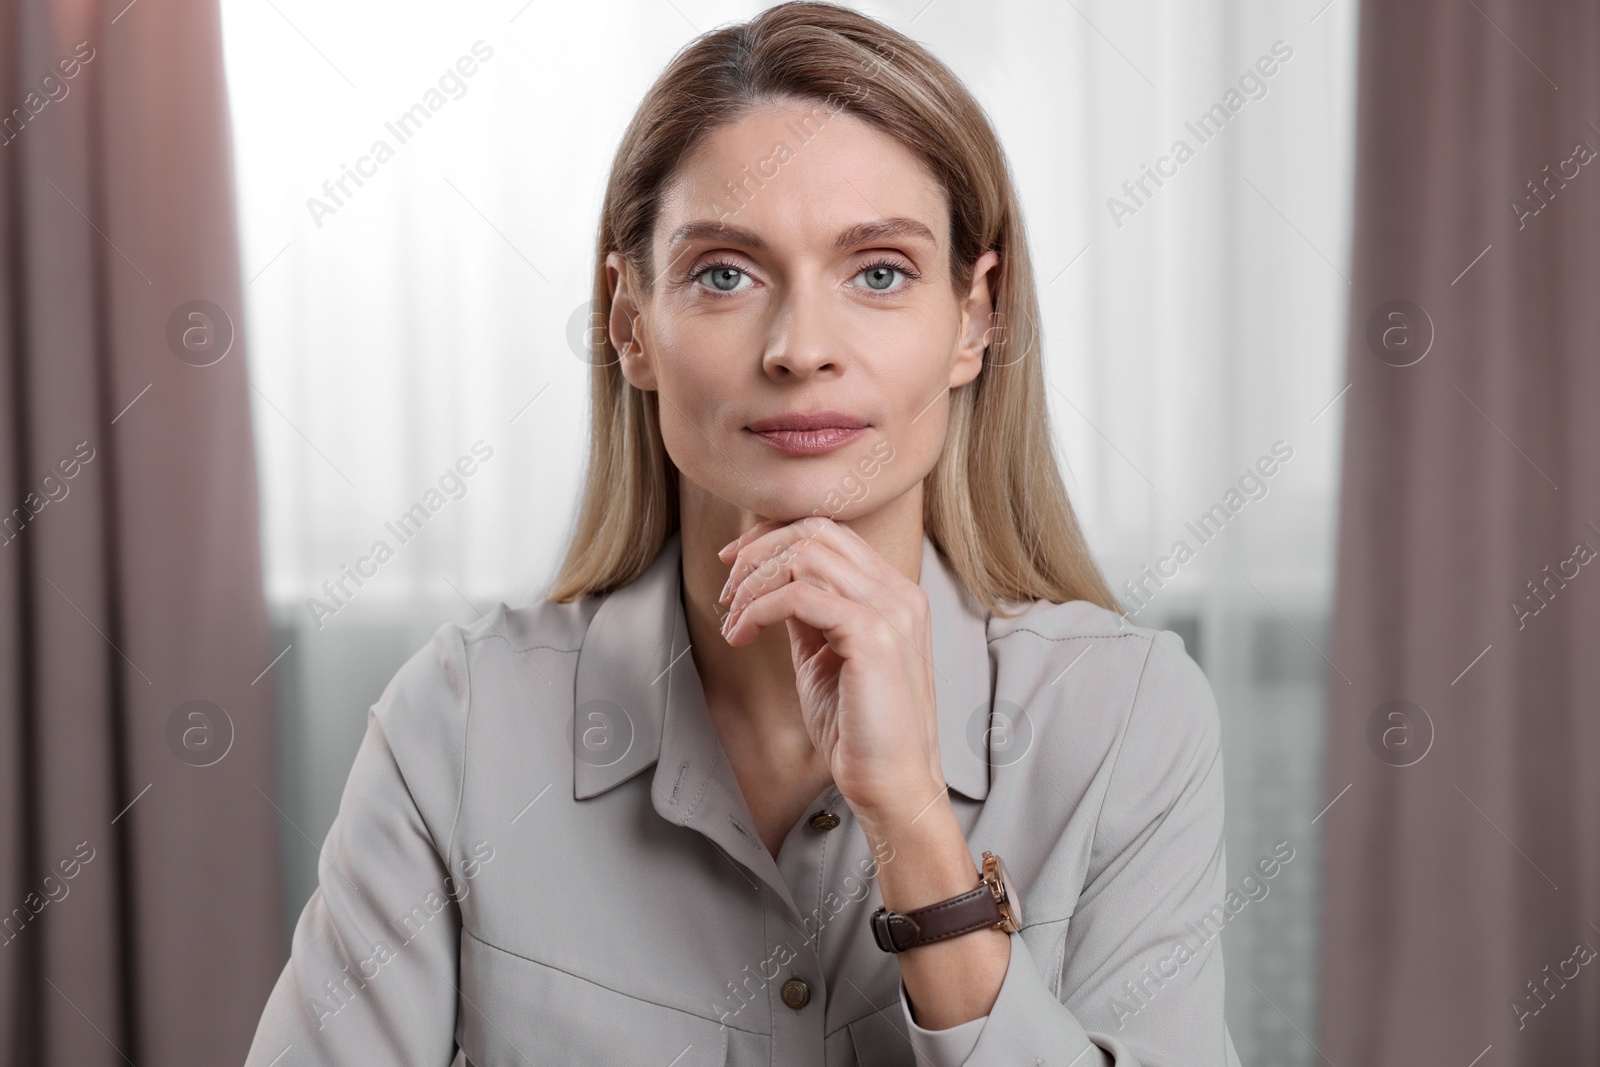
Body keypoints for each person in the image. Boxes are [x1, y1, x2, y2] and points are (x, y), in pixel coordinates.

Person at [245, 3, 1242, 1063]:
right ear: (630, 323)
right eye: (725, 272)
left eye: (879, 272)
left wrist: (913, 822)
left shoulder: (1129, 716)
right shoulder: (456, 726)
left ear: (973, 319)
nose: (801, 347)